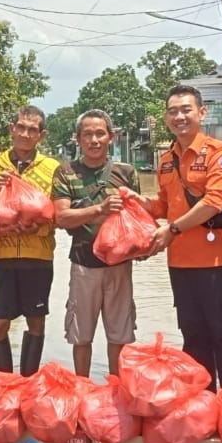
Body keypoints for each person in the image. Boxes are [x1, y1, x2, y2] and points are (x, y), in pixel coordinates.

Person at [149, 85, 222, 389]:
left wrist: (173, 229)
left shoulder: (218, 152)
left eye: (186, 109)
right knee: (192, 335)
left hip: (213, 261)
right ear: (166, 118)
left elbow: (214, 202)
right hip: (178, 262)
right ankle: (201, 404)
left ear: (201, 113)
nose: (179, 116)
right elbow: (162, 207)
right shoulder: (165, 160)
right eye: (173, 111)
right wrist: (131, 202)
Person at [52, 110, 144, 377]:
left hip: (120, 265)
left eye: (100, 133)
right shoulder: (66, 172)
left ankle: (116, 390)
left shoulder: (126, 172)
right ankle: (83, 388)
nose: (94, 139)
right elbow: (61, 217)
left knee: (120, 332)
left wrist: (142, 246)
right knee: (81, 335)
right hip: (83, 264)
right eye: (87, 134)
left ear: (111, 137)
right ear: (77, 139)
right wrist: (99, 210)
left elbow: (137, 218)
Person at [0, 105, 60, 376]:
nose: (25, 133)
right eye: (21, 127)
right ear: (12, 129)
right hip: (4, 257)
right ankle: (4, 381)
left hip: (39, 256)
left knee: (36, 322)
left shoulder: (53, 169)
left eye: (32, 129)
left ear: (42, 135)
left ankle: (28, 382)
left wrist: (34, 225)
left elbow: (58, 212)